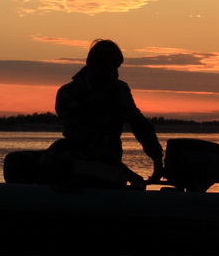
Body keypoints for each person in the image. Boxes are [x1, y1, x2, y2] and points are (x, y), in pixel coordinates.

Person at [47, 39, 163, 188]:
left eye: (117, 67)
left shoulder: (119, 90)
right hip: (79, 160)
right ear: (96, 65)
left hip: (110, 163)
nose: (116, 73)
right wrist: (126, 172)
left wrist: (157, 159)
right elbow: (83, 140)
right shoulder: (68, 93)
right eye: (112, 67)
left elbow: (139, 124)